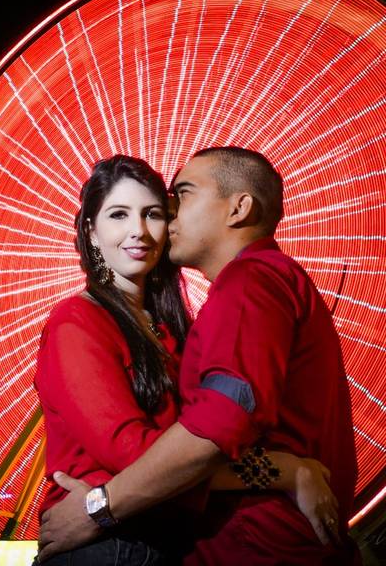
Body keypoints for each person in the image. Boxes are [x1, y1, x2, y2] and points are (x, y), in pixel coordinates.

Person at [37, 148, 356, 565]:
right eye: (118, 215)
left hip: (164, 538)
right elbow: (141, 452)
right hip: (113, 544)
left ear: (240, 207)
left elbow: (205, 435)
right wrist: (284, 471)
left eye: (157, 212)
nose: (144, 229)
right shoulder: (76, 321)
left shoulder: (191, 321)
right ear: (91, 231)